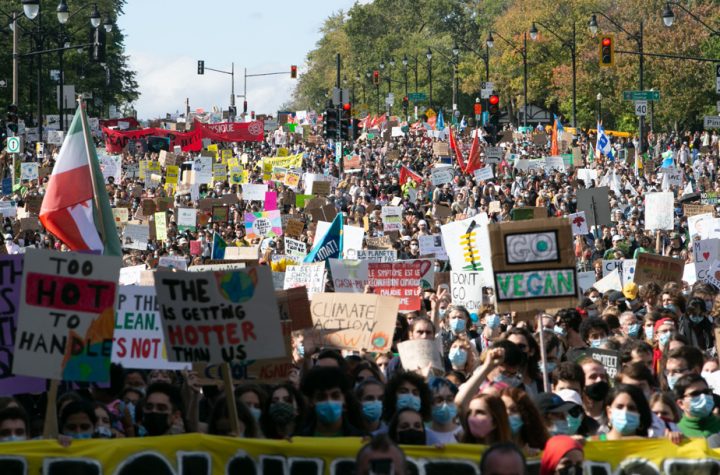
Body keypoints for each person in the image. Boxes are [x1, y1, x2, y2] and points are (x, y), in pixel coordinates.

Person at [299, 366, 365, 437]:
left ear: (344, 399)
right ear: (311, 401)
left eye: (335, 396)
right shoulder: (297, 440)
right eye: (322, 397)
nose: (329, 401)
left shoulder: (361, 439)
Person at [426, 377, 461, 445]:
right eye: (438, 400)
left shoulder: (464, 433)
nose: (445, 405)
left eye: (450, 399)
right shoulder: (424, 435)